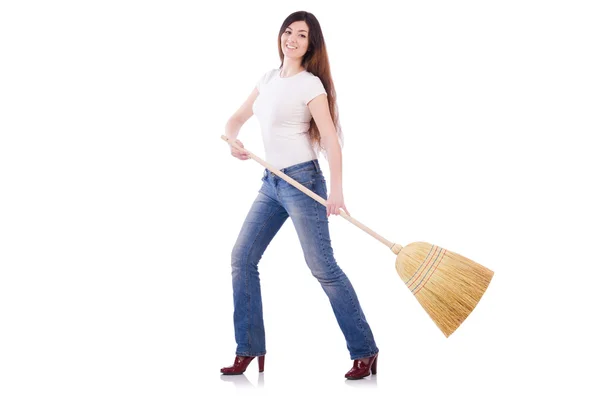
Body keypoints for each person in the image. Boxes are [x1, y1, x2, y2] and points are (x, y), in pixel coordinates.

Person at [220, 11, 379, 380]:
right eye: (288, 31)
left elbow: (331, 141)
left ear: (311, 44)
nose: (291, 38)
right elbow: (235, 119)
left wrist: (336, 191)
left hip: (304, 183)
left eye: (301, 35)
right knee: (242, 258)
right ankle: (248, 348)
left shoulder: (311, 85)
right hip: (271, 182)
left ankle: (365, 351)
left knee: (322, 267)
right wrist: (233, 141)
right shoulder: (268, 78)